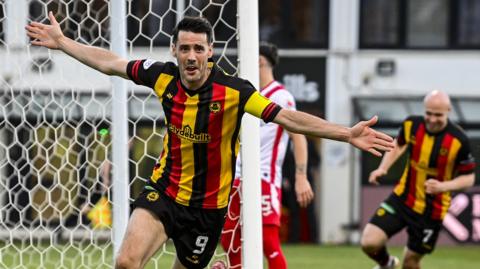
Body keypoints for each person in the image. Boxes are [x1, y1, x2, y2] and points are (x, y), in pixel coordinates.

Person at [27, 12, 394, 269]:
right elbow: (111, 62)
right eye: (184, 48)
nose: (191, 56)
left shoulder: (234, 91)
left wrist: (346, 133)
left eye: (198, 49)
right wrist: (63, 42)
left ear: (210, 52)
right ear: (174, 51)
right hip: (165, 192)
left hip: (208, 211)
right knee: (125, 261)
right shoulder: (161, 76)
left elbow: (288, 117)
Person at [219, 42, 314, 269]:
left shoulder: (282, 96)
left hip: (263, 178)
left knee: (268, 242)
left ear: (259, 61)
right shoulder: (247, 94)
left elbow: (298, 137)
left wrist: (301, 176)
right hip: (235, 179)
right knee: (229, 240)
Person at [360, 90, 476, 269]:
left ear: (448, 111)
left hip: (432, 211)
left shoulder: (458, 140)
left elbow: (469, 178)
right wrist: (383, 168)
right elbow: (398, 146)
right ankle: (387, 264)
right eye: (428, 113)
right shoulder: (412, 125)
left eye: (438, 115)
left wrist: (443, 186)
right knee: (369, 243)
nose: (432, 119)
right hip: (402, 198)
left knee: (410, 263)